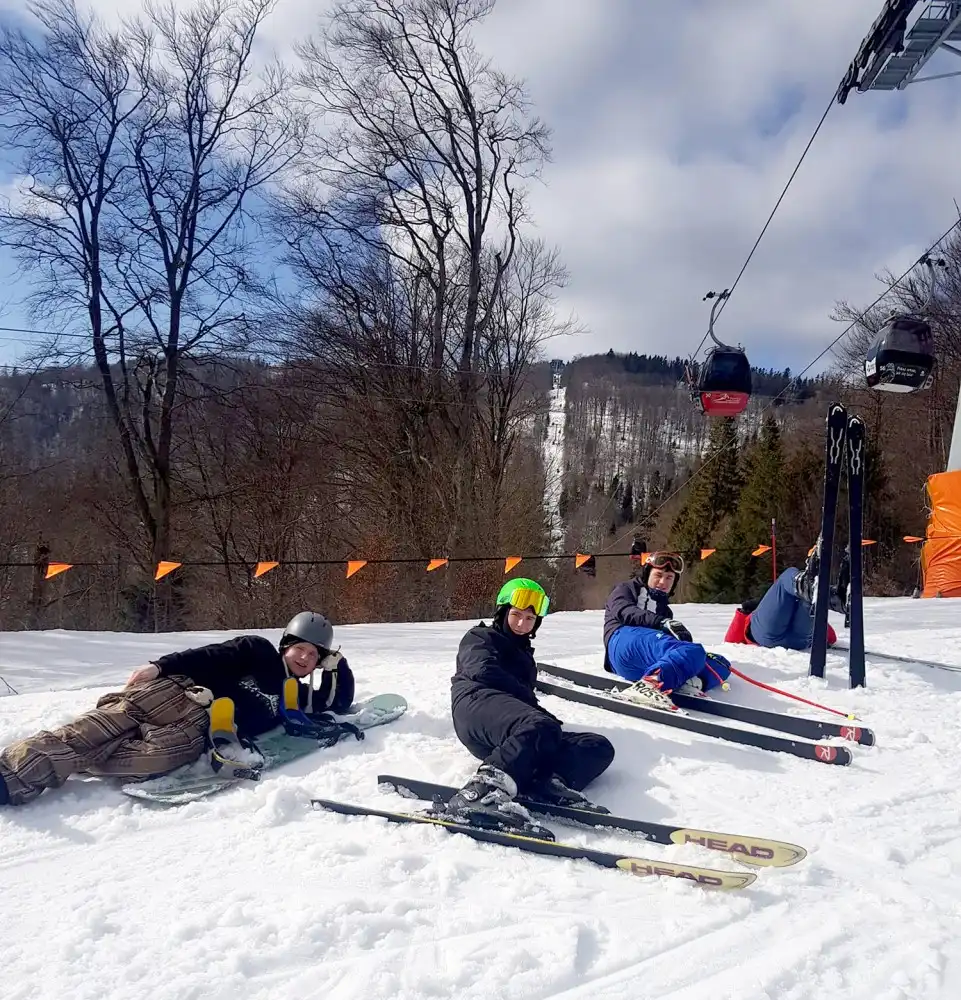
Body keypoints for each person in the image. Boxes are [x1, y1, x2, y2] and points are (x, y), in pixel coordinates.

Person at [0, 611, 354, 807]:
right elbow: (212, 655)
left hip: (198, 727)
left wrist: (337, 665)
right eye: (300, 650)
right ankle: (10, 776)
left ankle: (67, 760)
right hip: (178, 692)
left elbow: (338, 702)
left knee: (150, 762)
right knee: (96, 730)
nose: (305, 659)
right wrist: (161, 666)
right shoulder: (258, 650)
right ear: (286, 645)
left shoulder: (295, 700)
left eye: (314, 655)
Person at [448, 577, 615, 827]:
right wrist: (536, 712)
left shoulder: (525, 658)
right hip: (476, 705)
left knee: (597, 746)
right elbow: (483, 670)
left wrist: (542, 720)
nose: (521, 624)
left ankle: (546, 784)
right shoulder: (480, 636)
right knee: (541, 725)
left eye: (529, 619)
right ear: (503, 612)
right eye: (516, 615)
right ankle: (479, 792)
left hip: (515, 731)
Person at [603, 551, 732, 710]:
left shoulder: (665, 611)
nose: (663, 582)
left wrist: (681, 641)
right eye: (658, 575)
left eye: (669, 578)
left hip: (648, 662)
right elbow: (623, 611)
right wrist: (661, 622)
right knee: (692, 651)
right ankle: (652, 684)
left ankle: (688, 683)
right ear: (647, 574)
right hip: (622, 642)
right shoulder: (627, 589)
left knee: (720, 663)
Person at [724, 547, 846, 651]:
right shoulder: (762, 607)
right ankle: (831, 596)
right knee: (792, 581)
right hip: (799, 640)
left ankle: (822, 592)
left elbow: (729, 642)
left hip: (770, 637)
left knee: (807, 596)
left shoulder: (763, 609)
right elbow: (831, 637)